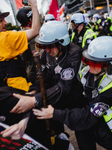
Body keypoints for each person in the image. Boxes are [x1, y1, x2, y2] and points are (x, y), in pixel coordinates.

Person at [5, 20, 83, 150]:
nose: (47, 50)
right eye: (44, 46)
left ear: (62, 42)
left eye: (50, 46)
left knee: (82, 132)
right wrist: (32, 92)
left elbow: (63, 87)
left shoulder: (74, 54)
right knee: (53, 121)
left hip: (75, 101)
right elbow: (41, 78)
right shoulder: (47, 53)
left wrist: (34, 100)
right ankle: (60, 137)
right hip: (55, 99)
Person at [33, 36, 112, 150]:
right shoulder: (85, 73)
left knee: (83, 120)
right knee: (81, 127)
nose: (90, 66)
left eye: (97, 64)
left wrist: (55, 113)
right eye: (88, 61)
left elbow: (89, 115)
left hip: (107, 130)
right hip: (96, 123)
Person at [0, 0, 41, 140]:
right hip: (19, 95)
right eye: (0, 20)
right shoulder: (3, 39)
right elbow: (35, 30)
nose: (5, 23)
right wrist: (34, 5)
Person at [16, 5, 37, 85]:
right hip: (36, 76)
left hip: (27, 76)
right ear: (30, 19)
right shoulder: (32, 36)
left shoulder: (19, 35)